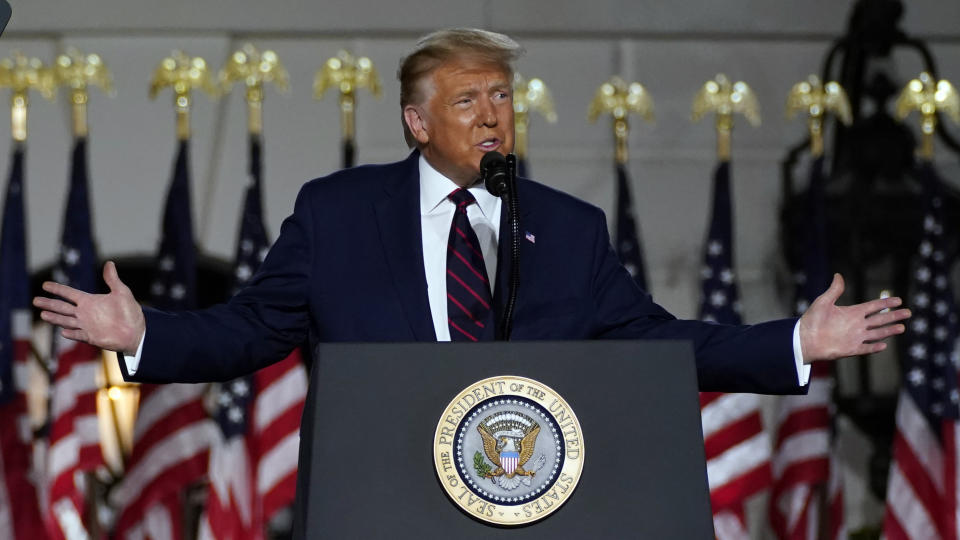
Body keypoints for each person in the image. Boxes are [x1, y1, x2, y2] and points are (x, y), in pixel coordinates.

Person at [34, 28, 909, 394]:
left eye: (502, 98)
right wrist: (144, 332)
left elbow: (652, 341)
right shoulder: (338, 216)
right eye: (468, 102)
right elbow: (252, 329)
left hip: (530, 493)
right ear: (416, 122)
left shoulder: (565, 228)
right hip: (381, 495)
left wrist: (795, 341)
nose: (493, 116)